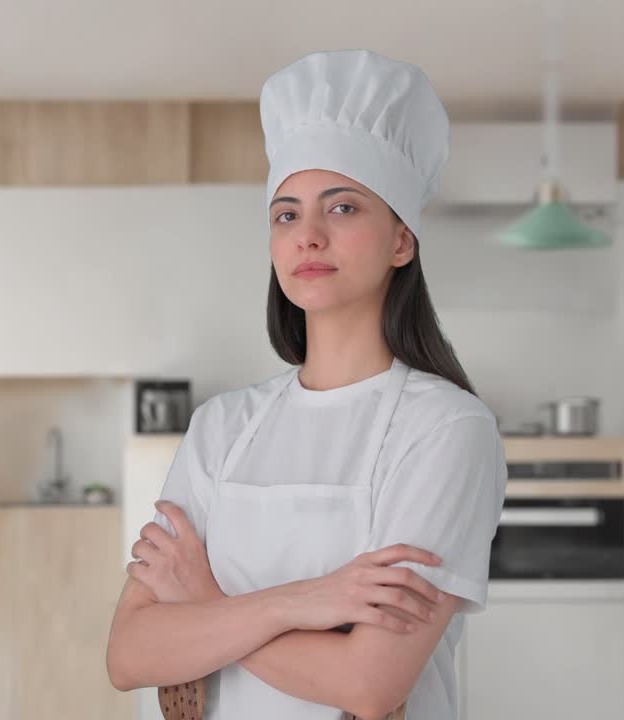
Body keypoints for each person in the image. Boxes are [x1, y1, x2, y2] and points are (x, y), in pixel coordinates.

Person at [105, 48, 507, 720]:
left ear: (401, 241)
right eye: (286, 214)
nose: (308, 236)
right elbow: (129, 652)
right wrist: (304, 601)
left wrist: (207, 607)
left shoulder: (446, 430)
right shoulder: (222, 428)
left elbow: (369, 686)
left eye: (343, 208)